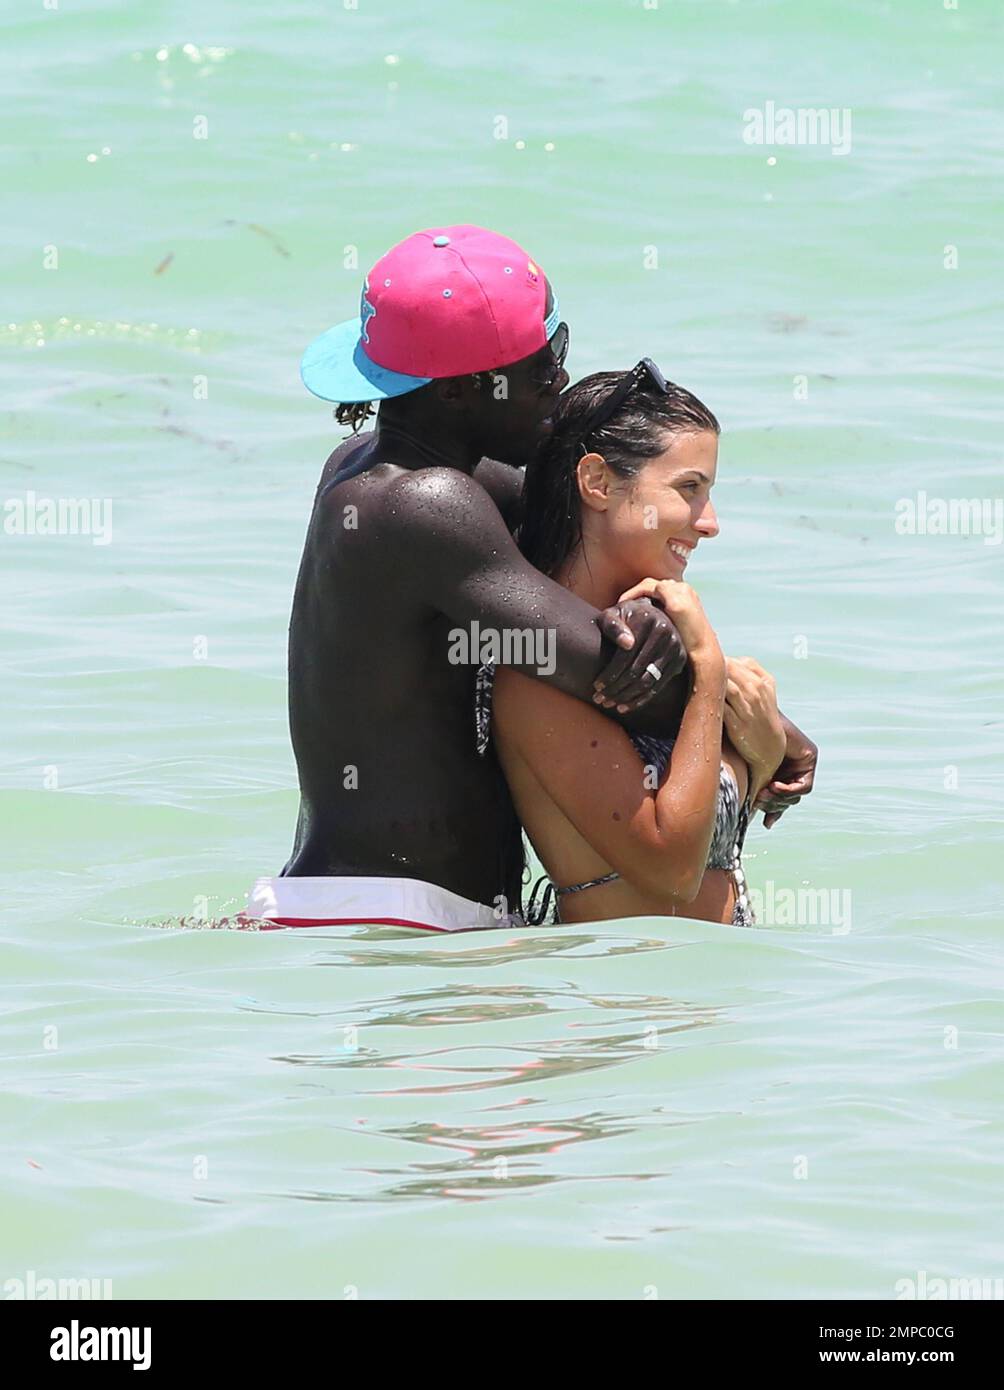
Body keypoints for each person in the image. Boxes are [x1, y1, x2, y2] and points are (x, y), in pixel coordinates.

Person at [247, 226, 816, 932]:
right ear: (459, 391)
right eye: (545, 368)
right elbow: (606, 668)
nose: (560, 386)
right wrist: (769, 729)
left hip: (398, 914)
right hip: (394, 918)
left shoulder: (403, 470)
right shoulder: (420, 503)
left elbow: (580, 534)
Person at [481, 363, 796, 926]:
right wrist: (709, 677)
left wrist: (767, 751)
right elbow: (673, 871)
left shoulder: (655, 642)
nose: (710, 523)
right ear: (598, 483)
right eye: (689, 489)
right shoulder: (536, 672)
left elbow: (710, 841)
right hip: (619, 999)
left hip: (701, 993)